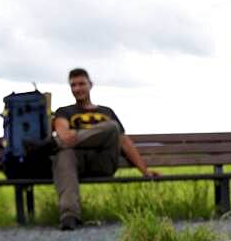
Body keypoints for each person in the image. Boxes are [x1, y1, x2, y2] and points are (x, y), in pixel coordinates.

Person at [51, 68, 158, 230]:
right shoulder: (64, 112)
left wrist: (145, 171)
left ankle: (53, 144)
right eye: (73, 85)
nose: (78, 89)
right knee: (64, 153)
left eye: (81, 84)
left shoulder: (106, 112)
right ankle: (69, 216)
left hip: (103, 161)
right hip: (75, 164)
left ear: (90, 85)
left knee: (111, 127)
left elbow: (124, 141)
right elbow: (65, 136)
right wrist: (77, 139)